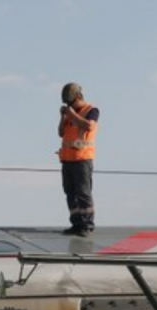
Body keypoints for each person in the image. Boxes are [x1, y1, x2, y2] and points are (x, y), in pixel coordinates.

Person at [58, 82, 100, 237]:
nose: (70, 106)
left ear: (78, 97)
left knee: (83, 192)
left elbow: (89, 126)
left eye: (71, 102)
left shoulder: (91, 110)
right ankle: (76, 223)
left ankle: (87, 224)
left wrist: (72, 115)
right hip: (68, 159)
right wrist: (63, 117)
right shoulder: (70, 113)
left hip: (82, 159)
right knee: (70, 192)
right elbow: (61, 133)